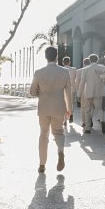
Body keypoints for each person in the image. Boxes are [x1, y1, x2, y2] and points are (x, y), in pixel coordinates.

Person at [29, 46, 71, 174]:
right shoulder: (64, 72)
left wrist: (40, 93)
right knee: (58, 132)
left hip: (44, 108)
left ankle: (42, 164)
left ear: (46, 57)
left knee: (43, 134)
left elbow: (32, 91)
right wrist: (69, 109)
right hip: (59, 107)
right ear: (56, 56)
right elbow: (68, 93)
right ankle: (61, 151)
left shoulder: (39, 72)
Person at [81, 52, 105, 134]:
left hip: (89, 92)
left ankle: (88, 128)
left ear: (89, 60)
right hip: (99, 91)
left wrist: (79, 94)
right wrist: (103, 84)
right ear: (97, 60)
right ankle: (102, 120)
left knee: (88, 109)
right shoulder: (102, 67)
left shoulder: (85, 69)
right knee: (99, 108)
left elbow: (82, 82)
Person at [60, 56, 77, 127]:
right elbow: (76, 79)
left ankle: (64, 120)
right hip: (72, 88)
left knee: (64, 104)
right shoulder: (74, 69)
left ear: (63, 62)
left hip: (63, 89)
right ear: (69, 62)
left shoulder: (60, 69)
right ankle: (71, 114)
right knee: (71, 103)